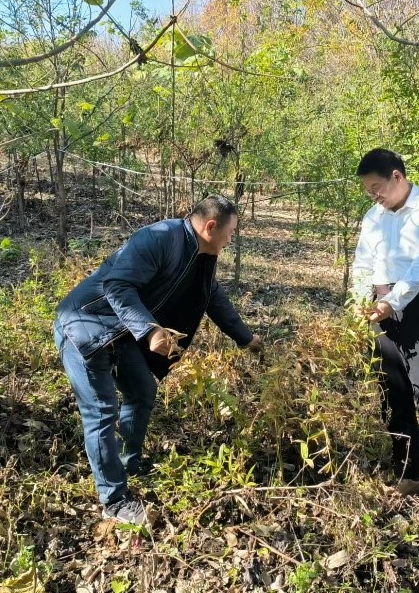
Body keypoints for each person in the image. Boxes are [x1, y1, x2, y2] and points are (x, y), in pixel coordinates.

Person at [54, 195, 263, 525]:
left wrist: (246, 338)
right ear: (211, 226)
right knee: (102, 411)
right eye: (231, 232)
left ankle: (129, 463)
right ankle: (114, 501)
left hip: (120, 333)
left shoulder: (200, 257)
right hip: (84, 326)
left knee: (142, 392)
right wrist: (150, 330)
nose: (231, 239)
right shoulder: (160, 237)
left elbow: (213, 298)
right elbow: (117, 285)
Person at [350, 148, 419, 534]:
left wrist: (392, 302)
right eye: (368, 190)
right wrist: (361, 298)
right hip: (379, 308)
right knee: (392, 391)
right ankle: (409, 473)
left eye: (377, 187)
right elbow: (362, 263)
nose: (374, 195)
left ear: (397, 177)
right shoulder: (373, 217)